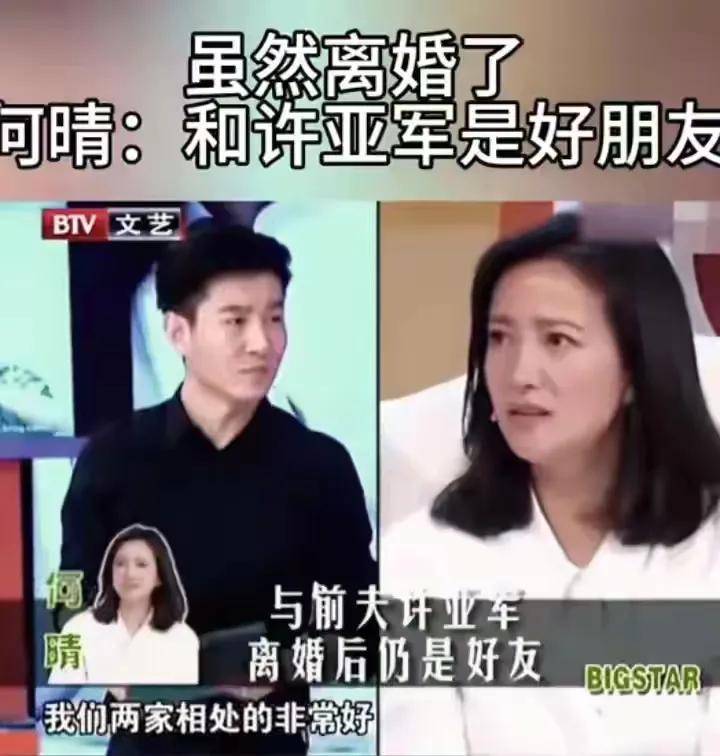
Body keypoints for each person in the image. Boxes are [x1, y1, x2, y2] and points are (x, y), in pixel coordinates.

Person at [380, 213, 720, 755]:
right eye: (499, 338)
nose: (518, 374)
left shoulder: (708, 549)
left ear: (637, 367)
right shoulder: (420, 560)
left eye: (557, 340)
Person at [59, 224, 377, 754]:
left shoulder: (320, 466)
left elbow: (361, 624)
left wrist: (286, 663)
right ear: (178, 332)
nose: (262, 343)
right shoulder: (113, 459)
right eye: (236, 320)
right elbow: (70, 603)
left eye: (274, 318)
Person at [50, 524, 198, 685]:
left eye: (141, 564)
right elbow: (60, 696)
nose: (130, 573)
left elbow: (183, 698)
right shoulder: (77, 629)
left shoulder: (182, 638)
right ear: (110, 573)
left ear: (159, 577)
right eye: (120, 564)